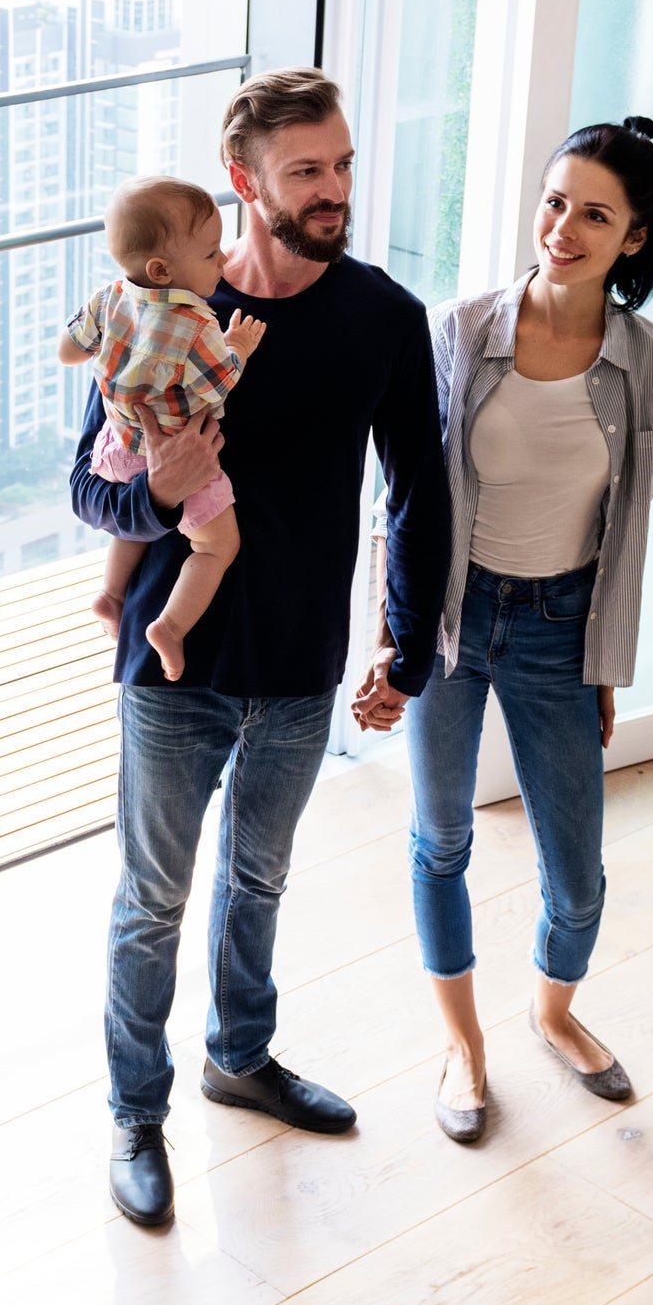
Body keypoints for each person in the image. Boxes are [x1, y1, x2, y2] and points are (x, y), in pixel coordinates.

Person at [70, 68, 451, 1228]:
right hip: (173, 669)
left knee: (261, 878)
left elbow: (418, 491)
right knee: (152, 899)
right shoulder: (155, 309)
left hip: (298, 668)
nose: (334, 190)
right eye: (306, 172)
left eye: (340, 165)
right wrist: (160, 498)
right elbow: (92, 486)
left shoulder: (384, 317)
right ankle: (138, 1112)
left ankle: (242, 1055)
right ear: (243, 183)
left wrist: (407, 642)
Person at [408, 120, 653, 1143]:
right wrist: (397, 640)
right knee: (441, 838)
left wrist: (603, 662)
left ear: (635, 239)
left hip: (560, 626)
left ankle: (553, 1012)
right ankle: (463, 1046)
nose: (563, 227)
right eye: (556, 200)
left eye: (595, 215)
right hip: (451, 615)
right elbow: (411, 504)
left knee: (576, 873)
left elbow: (631, 523)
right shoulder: (462, 328)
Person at [57, 175, 270, 679]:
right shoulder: (199, 328)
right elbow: (221, 383)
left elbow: (68, 351)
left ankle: (111, 595)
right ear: (162, 269)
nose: (222, 261)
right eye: (211, 254)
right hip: (180, 454)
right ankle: (169, 627)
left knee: (139, 522)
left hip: (117, 446)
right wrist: (239, 343)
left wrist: (101, 351)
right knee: (217, 546)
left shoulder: (109, 298)